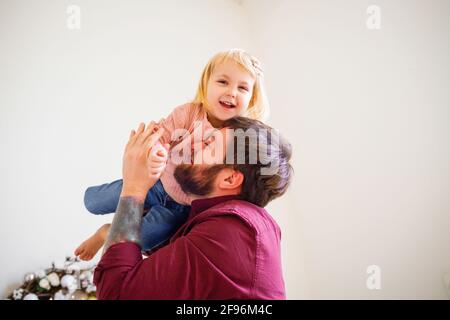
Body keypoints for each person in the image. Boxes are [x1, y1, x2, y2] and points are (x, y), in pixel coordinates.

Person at [75, 49, 271, 260]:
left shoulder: (240, 135)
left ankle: (107, 231)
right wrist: (157, 152)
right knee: (92, 201)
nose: (232, 92)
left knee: (143, 241)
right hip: (157, 183)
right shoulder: (188, 113)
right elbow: (161, 135)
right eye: (223, 82)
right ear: (206, 85)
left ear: (252, 100)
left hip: (182, 208)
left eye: (243, 88)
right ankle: (126, 213)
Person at [94, 116, 293, 299]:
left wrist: (134, 187)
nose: (193, 145)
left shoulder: (230, 233)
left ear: (230, 178)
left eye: (208, 144)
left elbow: (116, 292)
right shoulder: (228, 225)